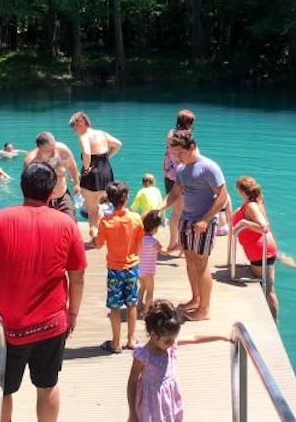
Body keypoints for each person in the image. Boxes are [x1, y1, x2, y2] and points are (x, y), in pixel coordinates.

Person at [0, 162, 87, 422]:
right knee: (47, 385)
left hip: (8, 328)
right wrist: (73, 313)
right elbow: (77, 276)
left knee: (0, 389)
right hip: (52, 324)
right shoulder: (66, 224)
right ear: (52, 189)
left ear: (22, 187)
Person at [151, 130, 227, 321]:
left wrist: (206, 220)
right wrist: (160, 208)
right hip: (187, 220)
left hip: (204, 223)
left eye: (180, 153)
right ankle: (195, 299)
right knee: (190, 260)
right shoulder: (182, 169)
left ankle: (204, 309)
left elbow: (222, 197)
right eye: (175, 154)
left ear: (191, 147)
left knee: (201, 263)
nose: (177, 157)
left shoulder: (209, 168)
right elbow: (176, 193)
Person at [126, 300, 226, 422]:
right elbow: (132, 382)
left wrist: (221, 336)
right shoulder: (143, 355)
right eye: (168, 341)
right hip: (151, 404)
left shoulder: (169, 345)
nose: (172, 343)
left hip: (169, 400)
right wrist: (133, 412)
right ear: (153, 334)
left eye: (174, 339)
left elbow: (194, 338)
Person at [232, 176, 296, 321]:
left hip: (260, 251)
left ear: (240, 190)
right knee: (265, 285)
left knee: (268, 289)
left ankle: (274, 321)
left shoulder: (252, 205)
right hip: (262, 250)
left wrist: (244, 223)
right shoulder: (253, 203)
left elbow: (263, 227)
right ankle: (269, 317)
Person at [94, 181, 143, 353]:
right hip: (132, 267)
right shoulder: (136, 219)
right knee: (132, 303)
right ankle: (131, 339)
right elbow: (139, 242)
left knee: (114, 306)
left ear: (109, 200)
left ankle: (116, 342)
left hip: (115, 269)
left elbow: (98, 244)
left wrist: (94, 232)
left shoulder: (107, 222)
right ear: (126, 198)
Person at [69, 111, 122, 238]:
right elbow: (118, 144)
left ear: (82, 124)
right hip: (106, 172)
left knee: (91, 210)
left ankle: (95, 236)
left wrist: (86, 169)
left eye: (74, 126)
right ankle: (102, 232)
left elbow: (86, 153)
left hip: (92, 175)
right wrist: (107, 156)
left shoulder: (84, 137)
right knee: (98, 205)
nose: (74, 129)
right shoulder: (101, 133)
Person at [24, 131, 81, 220]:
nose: (54, 152)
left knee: (71, 223)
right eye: (49, 151)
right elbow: (28, 186)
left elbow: (72, 166)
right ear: (40, 148)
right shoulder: (31, 162)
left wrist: (77, 184)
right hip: (42, 201)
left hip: (62, 195)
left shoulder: (62, 150)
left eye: (54, 147)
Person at [161, 110, 195, 253]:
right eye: (192, 123)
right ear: (187, 123)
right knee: (179, 213)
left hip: (169, 175)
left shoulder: (171, 133)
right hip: (181, 178)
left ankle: (175, 243)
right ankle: (177, 244)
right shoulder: (185, 137)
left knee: (177, 212)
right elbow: (187, 158)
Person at [137, 212, 164, 317]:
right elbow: (163, 251)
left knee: (142, 287)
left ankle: (139, 305)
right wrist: (175, 248)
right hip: (148, 271)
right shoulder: (153, 241)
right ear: (154, 228)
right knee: (150, 291)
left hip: (139, 269)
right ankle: (146, 311)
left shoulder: (139, 239)